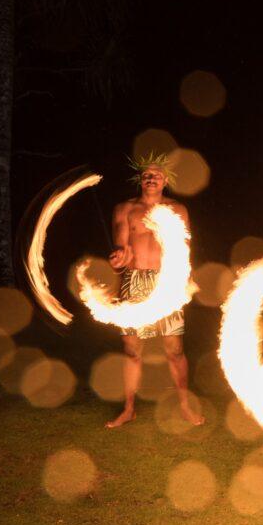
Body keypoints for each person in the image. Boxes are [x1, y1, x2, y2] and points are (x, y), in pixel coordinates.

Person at [105, 152, 203, 429]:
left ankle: (185, 406)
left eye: (156, 175)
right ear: (140, 178)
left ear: (165, 180)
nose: (151, 178)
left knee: (174, 349)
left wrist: (185, 279)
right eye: (147, 174)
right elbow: (121, 248)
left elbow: (183, 249)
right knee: (132, 350)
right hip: (134, 281)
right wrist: (118, 259)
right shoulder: (124, 209)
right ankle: (128, 409)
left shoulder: (177, 210)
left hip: (167, 281)